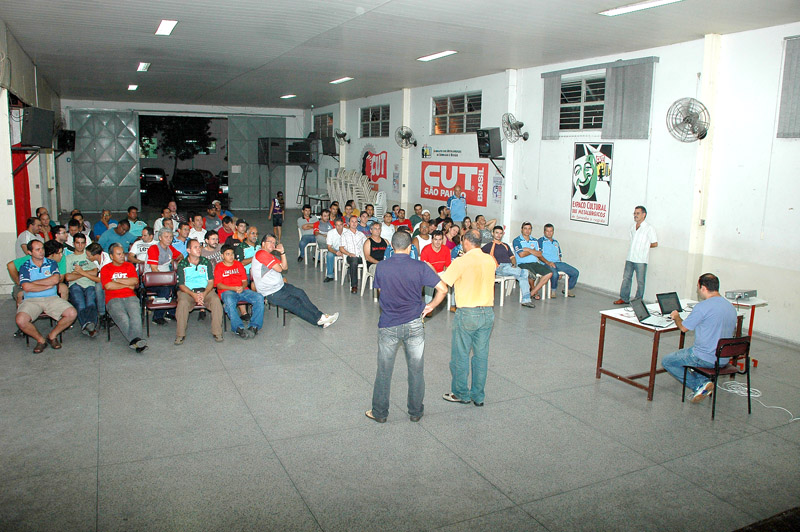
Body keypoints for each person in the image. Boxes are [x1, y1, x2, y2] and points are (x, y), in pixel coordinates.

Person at [365, 230, 448, 424]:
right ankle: (415, 411)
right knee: (416, 370)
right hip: (414, 325)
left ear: (391, 247)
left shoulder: (382, 267)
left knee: (384, 371)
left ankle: (380, 413)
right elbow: (443, 288)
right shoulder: (420, 267)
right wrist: (431, 306)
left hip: (388, 325)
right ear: (410, 247)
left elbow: (380, 291)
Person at [440, 229, 498, 406]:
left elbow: (444, 283)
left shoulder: (461, 261)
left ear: (465, 242)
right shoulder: (489, 259)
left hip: (467, 314)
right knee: (481, 357)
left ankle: (460, 393)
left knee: (461, 355)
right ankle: (478, 396)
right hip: (487, 313)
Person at [661, 273, 738, 403]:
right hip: (723, 358)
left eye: (698, 288)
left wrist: (676, 317)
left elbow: (684, 328)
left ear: (703, 288)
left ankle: (699, 385)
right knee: (689, 355)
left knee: (667, 361)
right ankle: (704, 383)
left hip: (704, 357)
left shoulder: (702, 307)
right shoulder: (730, 307)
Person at [251, 234, 339, 328]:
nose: (273, 245)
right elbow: (280, 269)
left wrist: (282, 253)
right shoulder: (261, 254)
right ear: (263, 243)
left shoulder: (269, 256)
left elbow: (284, 267)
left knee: (300, 293)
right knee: (295, 304)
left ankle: (321, 318)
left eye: (274, 243)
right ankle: (319, 320)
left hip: (280, 286)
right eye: (270, 242)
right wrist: (279, 264)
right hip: (271, 292)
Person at [15, 239, 77, 353]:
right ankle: (40, 340)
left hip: (52, 298)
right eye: (37, 250)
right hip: (31, 300)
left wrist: (34, 283)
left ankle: (52, 336)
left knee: (72, 313)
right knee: (21, 320)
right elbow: (26, 287)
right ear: (30, 252)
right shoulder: (25, 266)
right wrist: (46, 285)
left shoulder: (51, 263)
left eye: (42, 248)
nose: (41, 252)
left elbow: (55, 279)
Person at [174, 239, 224, 344]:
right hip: (188, 292)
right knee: (182, 303)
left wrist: (204, 293)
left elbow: (211, 281)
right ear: (188, 250)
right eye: (195, 247)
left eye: (199, 247)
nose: (199, 249)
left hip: (205, 290)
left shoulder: (206, 262)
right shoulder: (182, 264)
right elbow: (181, 285)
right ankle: (180, 335)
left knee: (215, 301)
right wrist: (194, 295)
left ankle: (217, 332)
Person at [101, 243, 147, 353]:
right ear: (111, 256)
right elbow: (108, 286)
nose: (122, 256)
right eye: (119, 254)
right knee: (123, 317)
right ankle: (137, 340)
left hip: (130, 296)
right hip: (113, 298)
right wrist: (127, 284)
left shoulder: (129, 266)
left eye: (122, 253)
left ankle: (135, 342)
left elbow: (135, 282)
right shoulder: (105, 269)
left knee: (135, 315)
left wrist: (116, 280)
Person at [215, 244, 265, 339]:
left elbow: (245, 281)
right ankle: (238, 328)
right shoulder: (219, 267)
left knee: (259, 297)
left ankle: (254, 325)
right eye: (227, 254)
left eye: (232, 254)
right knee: (229, 302)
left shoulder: (238, 264)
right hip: (227, 291)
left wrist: (242, 287)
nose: (231, 256)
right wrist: (233, 288)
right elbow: (218, 285)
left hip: (242, 290)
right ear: (222, 256)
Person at [483, 226, 536, 308]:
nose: (498, 235)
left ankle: (526, 300)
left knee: (522, 277)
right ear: (492, 233)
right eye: (496, 233)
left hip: (510, 267)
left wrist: (514, 264)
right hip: (499, 268)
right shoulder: (488, 246)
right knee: (519, 272)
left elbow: (512, 258)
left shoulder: (505, 245)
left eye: (500, 233)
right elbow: (479, 256)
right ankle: (526, 272)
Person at [614, 206, 658, 304]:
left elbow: (655, 243)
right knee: (626, 278)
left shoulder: (649, 228)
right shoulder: (632, 227)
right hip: (630, 258)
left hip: (641, 260)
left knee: (640, 281)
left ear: (644, 215)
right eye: (634, 213)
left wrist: (644, 247)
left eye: (638, 213)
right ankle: (624, 298)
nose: (635, 215)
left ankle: (638, 301)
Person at [65, 233, 100, 337]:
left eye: (82, 243)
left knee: (91, 303)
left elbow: (95, 272)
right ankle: (89, 326)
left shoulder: (89, 255)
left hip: (90, 283)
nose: (80, 245)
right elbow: (68, 277)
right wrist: (84, 273)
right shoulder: (68, 258)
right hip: (75, 285)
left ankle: (88, 325)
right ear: (73, 244)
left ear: (85, 243)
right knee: (80, 304)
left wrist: (78, 272)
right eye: (77, 243)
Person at [146, 228, 182, 325]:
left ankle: (171, 312)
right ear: (160, 237)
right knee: (166, 289)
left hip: (167, 278)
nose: (169, 239)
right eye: (166, 237)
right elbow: (154, 269)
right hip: (154, 279)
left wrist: (175, 261)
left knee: (180, 287)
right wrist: (167, 280)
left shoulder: (170, 248)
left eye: (170, 237)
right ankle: (157, 316)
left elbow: (180, 255)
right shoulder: (154, 248)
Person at [512, 222, 553, 300]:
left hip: (534, 263)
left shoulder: (535, 240)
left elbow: (539, 253)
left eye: (529, 229)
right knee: (531, 273)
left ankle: (533, 291)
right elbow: (521, 254)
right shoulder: (517, 240)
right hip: (522, 263)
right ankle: (534, 290)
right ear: (521, 229)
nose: (527, 231)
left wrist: (528, 249)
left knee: (549, 273)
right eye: (525, 228)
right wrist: (532, 251)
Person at [537, 223, 580, 298]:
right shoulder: (540, 241)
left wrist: (561, 268)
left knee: (575, 272)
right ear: (544, 232)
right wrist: (548, 262)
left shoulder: (556, 242)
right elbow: (539, 255)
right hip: (546, 263)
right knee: (555, 274)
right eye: (547, 231)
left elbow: (559, 256)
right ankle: (553, 291)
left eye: (551, 231)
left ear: (553, 232)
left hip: (557, 263)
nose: (549, 233)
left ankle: (568, 289)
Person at [340, 215, 367, 294]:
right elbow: (341, 248)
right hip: (350, 256)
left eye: (356, 222)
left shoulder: (361, 234)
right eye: (352, 221)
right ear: (348, 223)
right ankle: (354, 286)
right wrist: (349, 253)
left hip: (361, 256)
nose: (354, 223)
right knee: (354, 261)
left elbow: (366, 245)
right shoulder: (345, 234)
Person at [324, 218, 345, 282]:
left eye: (341, 225)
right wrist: (336, 252)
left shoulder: (348, 232)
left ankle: (349, 274)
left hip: (345, 249)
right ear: (335, 226)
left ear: (343, 225)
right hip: (334, 249)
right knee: (329, 255)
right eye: (337, 225)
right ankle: (330, 275)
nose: (339, 227)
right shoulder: (330, 233)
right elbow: (329, 247)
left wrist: (344, 252)